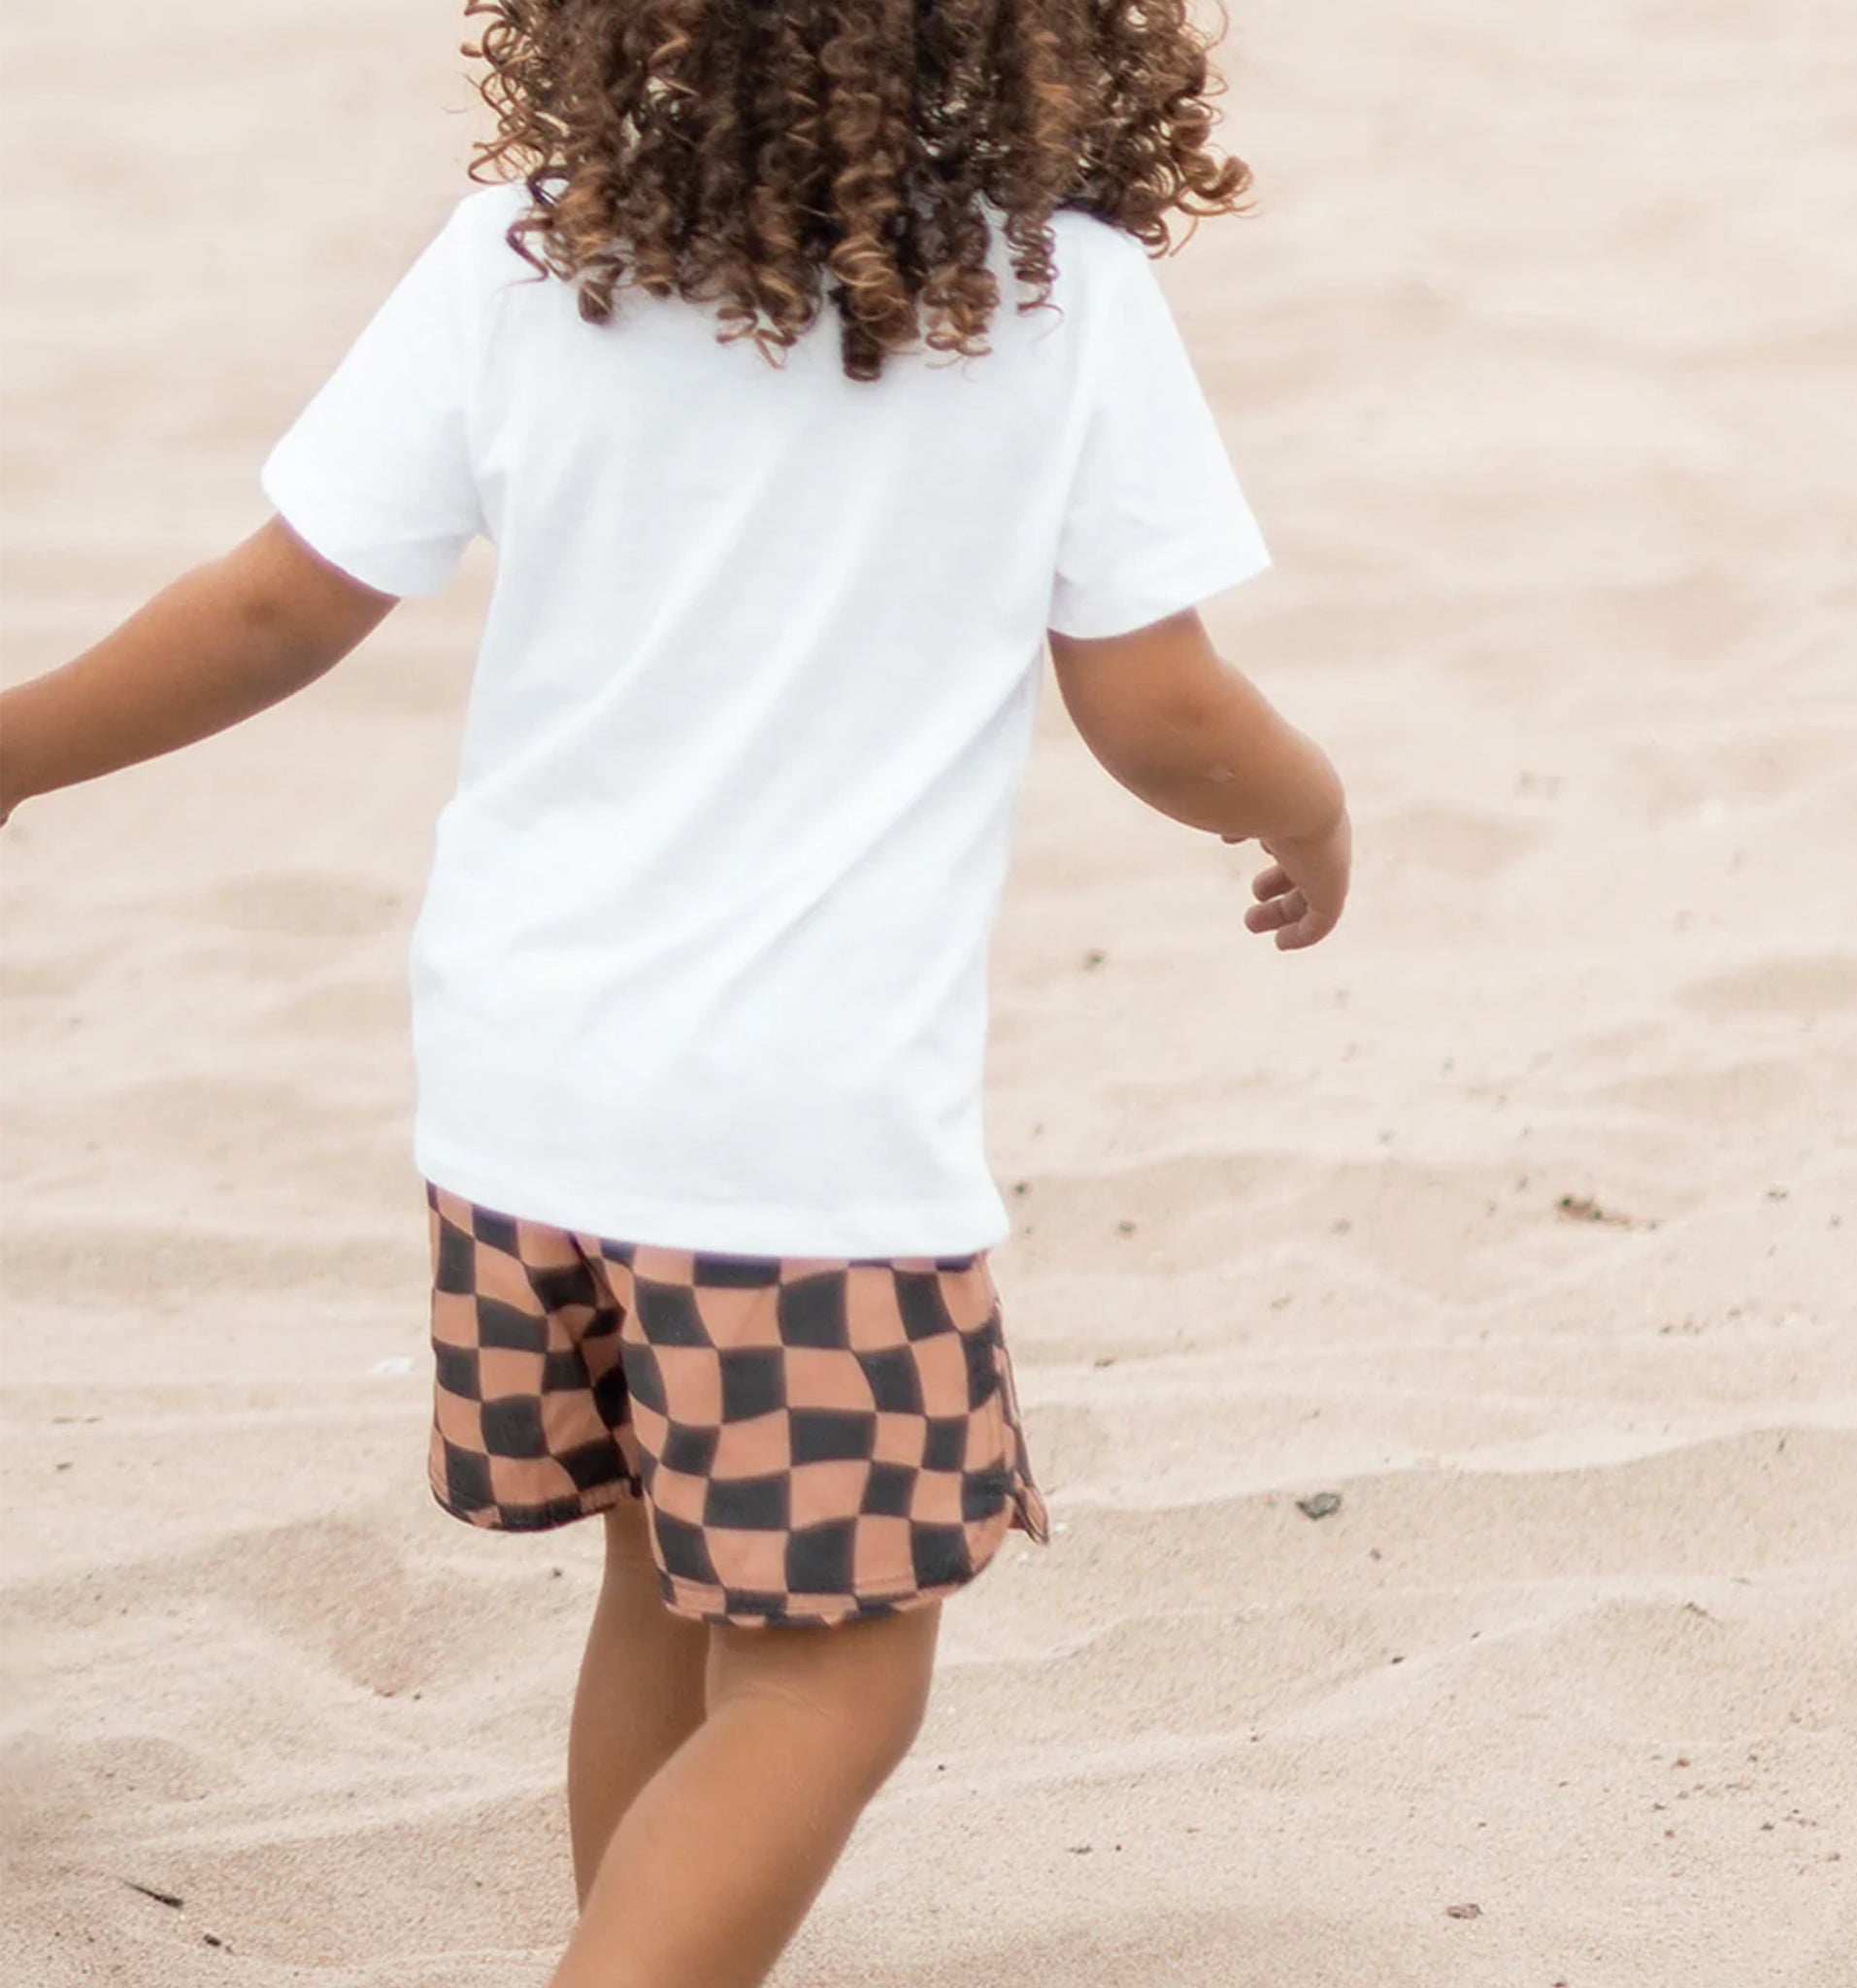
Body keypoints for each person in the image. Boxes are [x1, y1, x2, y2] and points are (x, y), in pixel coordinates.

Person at [0, 2, 1351, 1981]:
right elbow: (1155, 703)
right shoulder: (1056, 295)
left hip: (519, 1100)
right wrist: (1305, 813)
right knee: (836, 1686)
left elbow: (280, 601)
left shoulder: (532, 255)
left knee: (664, 1577)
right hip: (793, 1144)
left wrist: (16, 750)